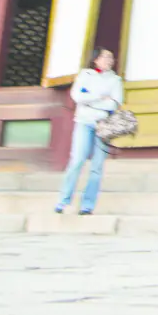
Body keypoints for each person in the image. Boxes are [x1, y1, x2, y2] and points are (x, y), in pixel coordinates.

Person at [56, 48, 123, 216]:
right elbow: (77, 97)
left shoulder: (115, 80)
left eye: (111, 57)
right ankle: (63, 200)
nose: (109, 60)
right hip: (83, 121)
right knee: (77, 160)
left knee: (97, 166)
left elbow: (114, 104)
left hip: (104, 124)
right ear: (96, 59)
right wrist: (100, 98)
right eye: (105, 57)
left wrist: (90, 98)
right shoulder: (85, 75)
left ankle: (87, 205)